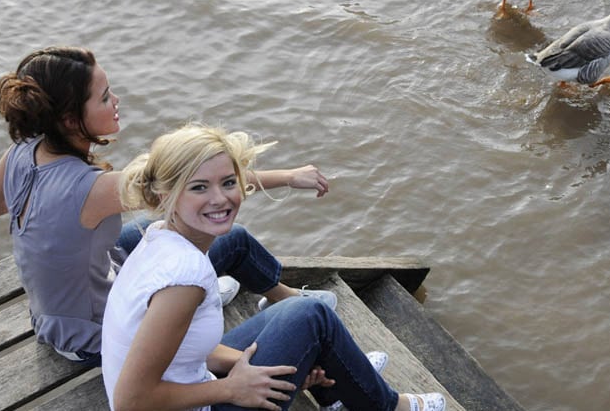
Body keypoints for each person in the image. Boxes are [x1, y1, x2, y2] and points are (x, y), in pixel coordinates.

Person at [0, 46, 335, 365]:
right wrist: (289, 176)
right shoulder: (91, 189)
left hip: (53, 317)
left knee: (188, 235)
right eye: (105, 96)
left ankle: (272, 297)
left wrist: (47, 214)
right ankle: (270, 306)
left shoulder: (20, 154)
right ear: (71, 119)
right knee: (230, 237)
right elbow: (200, 188)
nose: (116, 101)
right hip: (94, 334)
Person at [103, 123, 446, 411]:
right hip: (187, 400)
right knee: (313, 316)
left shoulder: (157, 236)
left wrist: (264, 364)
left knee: (299, 317)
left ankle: (338, 386)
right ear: (167, 196)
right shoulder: (185, 277)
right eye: (198, 188)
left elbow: (183, 350)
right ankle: (388, 406)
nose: (220, 198)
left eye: (228, 182)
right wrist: (231, 389)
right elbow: (130, 401)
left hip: (186, 378)